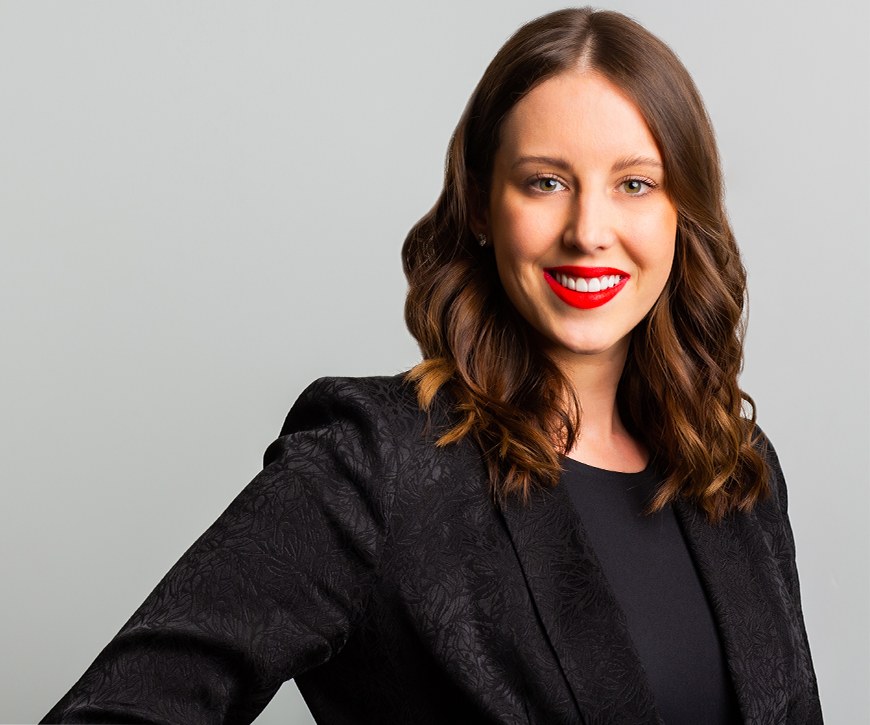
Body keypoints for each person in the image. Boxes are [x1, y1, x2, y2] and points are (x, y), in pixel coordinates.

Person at [43, 7, 822, 724]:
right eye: (546, 182)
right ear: (481, 205)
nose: (589, 230)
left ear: (681, 212)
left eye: (635, 184)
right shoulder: (376, 463)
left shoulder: (737, 472)